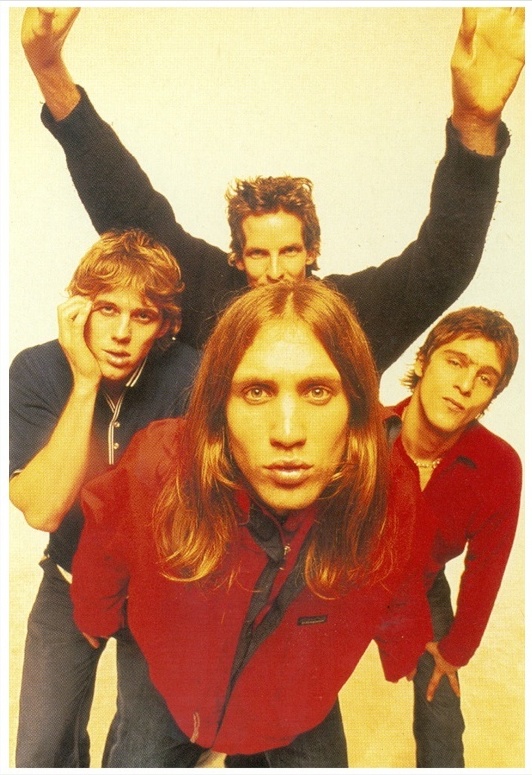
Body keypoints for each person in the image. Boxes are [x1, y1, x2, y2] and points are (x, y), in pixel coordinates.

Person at [21, 7, 525, 372]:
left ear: (313, 250)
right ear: (237, 258)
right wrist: (49, 72)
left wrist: (475, 123)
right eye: (259, 254)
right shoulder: (208, 291)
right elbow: (127, 204)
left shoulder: (351, 313)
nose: (277, 270)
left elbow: (444, 262)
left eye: (290, 251)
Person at [70, 279, 434, 767]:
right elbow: (105, 536)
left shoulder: (388, 485)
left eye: (318, 391)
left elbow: (402, 572)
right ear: (219, 406)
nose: (288, 432)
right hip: (170, 690)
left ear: (356, 407)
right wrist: (95, 611)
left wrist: (404, 642)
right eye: (257, 391)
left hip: (292, 704)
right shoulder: (160, 462)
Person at [9, 229, 200, 767]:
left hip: (159, 591)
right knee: (40, 751)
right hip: (68, 579)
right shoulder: (36, 369)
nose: (120, 333)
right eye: (107, 309)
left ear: (165, 325)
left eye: (142, 316)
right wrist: (85, 384)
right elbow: (43, 508)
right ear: (78, 310)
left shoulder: (192, 376)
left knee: (144, 755)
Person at [391, 306, 521, 767]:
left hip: (421, 585)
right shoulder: (363, 431)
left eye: (485, 378)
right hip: (343, 582)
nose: (466, 386)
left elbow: (487, 568)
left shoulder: (499, 465)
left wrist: (455, 651)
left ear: (490, 397)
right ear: (423, 360)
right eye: (456, 362)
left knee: (443, 722)